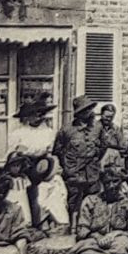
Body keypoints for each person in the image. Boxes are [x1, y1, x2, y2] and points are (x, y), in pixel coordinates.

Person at [4, 98, 58, 233]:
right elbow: (12, 153)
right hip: (22, 168)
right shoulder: (18, 133)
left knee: (42, 194)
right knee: (21, 195)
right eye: (34, 114)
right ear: (27, 117)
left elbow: (49, 151)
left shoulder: (48, 132)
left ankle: (41, 223)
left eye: (41, 113)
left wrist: (42, 158)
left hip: (42, 168)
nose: (38, 117)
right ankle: (24, 224)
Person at [53, 95, 106, 229]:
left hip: (92, 172)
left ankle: (90, 226)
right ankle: (73, 226)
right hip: (74, 172)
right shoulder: (67, 130)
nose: (90, 112)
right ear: (79, 113)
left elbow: (102, 147)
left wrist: (94, 161)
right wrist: (68, 166)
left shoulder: (97, 128)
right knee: (73, 200)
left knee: (93, 198)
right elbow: (58, 150)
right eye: (86, 110)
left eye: (90, 109)